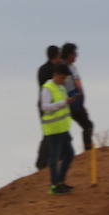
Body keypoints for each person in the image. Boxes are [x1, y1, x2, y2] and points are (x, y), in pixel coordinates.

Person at [39, 63, 77, 194]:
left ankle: (60, 182)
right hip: (53, 129)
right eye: (62, 78)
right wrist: (63, 103)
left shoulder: (61, 87)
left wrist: (70, 101)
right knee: (54, 158)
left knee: (70, 154)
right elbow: (45, 107)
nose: (63, 81)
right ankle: (54, 186)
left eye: (65, 78)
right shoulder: (47, 88)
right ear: (55, 75)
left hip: (63, 128)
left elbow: (64, 104)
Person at [60, 42, 94, 152]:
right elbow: (67, 87)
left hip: (77, 102)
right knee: (63, 131)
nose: (76, 55)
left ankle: (87, 152)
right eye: (74, 53)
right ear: (69, 54)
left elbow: (77, 85)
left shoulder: (72, 67)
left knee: (88, 125)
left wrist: (81, 104)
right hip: (68, 103)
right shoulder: (62, 67)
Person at [34, 44, 62, 172]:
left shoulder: (41, 69)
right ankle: (42, 162)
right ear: (56, 55)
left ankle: (48, 160)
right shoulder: (54, 70)